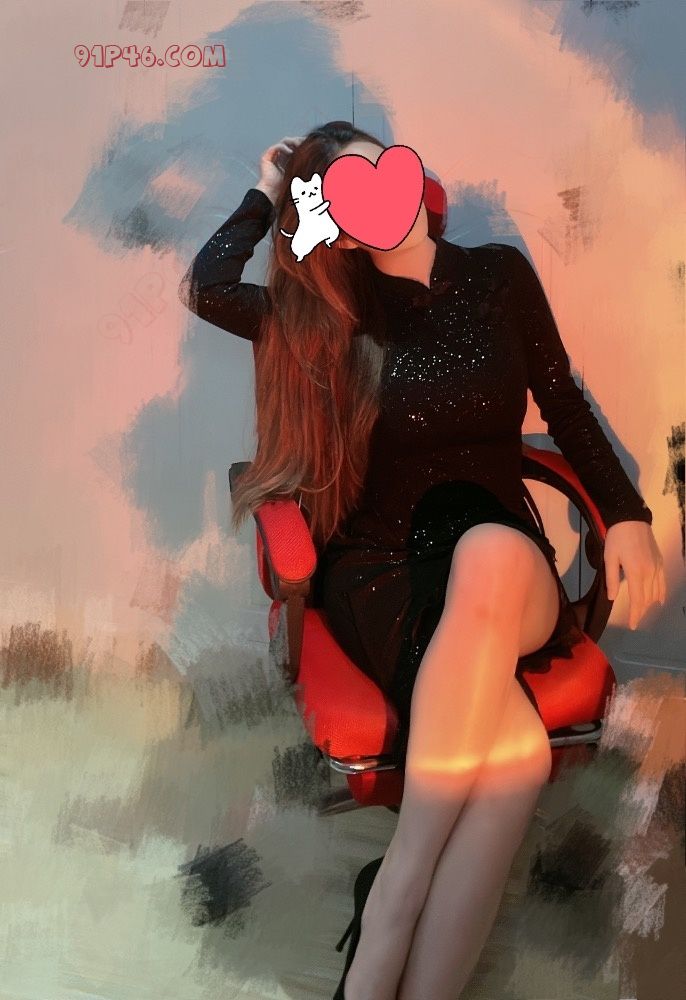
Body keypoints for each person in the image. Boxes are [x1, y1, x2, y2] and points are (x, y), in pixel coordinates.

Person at [179, 121, 666, 1000]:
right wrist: (269, 192)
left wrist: (625, 514)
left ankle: (394, 891)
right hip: (384, 572)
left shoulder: (500, 275)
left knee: (486, 550)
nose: (384, 196)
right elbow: (209, 287)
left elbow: (562, 403)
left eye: (385, 169)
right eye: (348, 193)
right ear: (334, 225)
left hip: (499, 556)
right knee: (515, 763)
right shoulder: (329, 316)